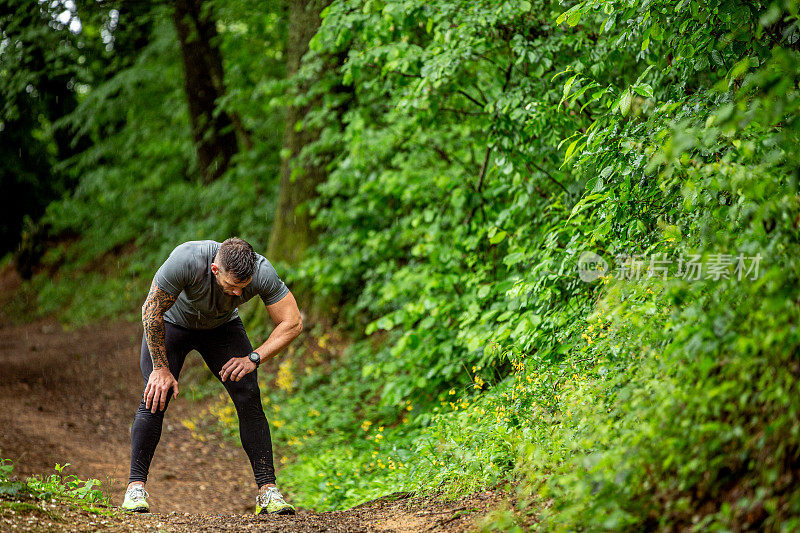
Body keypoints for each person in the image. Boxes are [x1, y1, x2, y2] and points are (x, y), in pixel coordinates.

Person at [121, 238, 302, 515]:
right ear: (215, 269)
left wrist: (254, 358)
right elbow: (151, 311)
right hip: (172, 323)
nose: (236, 295)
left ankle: (268, 491)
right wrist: (160, 368)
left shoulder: (262, 271)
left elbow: (292, 322)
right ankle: (135, 488)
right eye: (231, 287)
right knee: (156, 395)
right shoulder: (187, 260)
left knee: (249, 394)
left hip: (221, 328)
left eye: (243, 288)